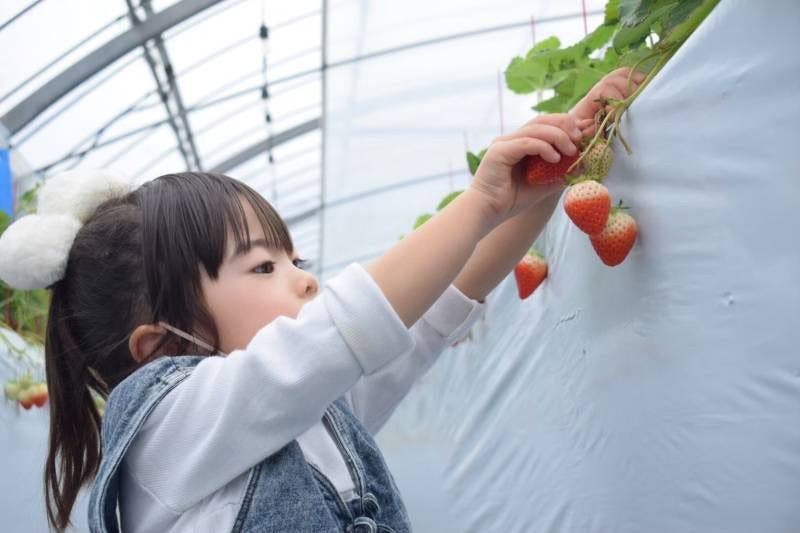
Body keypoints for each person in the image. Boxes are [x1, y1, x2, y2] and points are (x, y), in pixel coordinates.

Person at [0, 69, 642, 533]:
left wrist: (538, 191)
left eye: (295, 262)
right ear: (165, 347)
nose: (306, 280)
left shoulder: (314, 415)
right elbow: (345, 324)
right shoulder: (171, 429)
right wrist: (479, 202)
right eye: (263, 266)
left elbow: (444, 303)